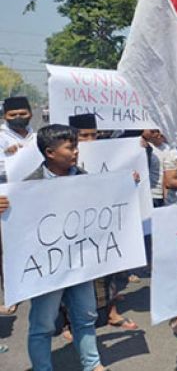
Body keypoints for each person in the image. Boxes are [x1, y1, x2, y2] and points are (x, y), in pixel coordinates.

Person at [0, 124, 106, 371]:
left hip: (79, 263)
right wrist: (4, 208)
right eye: (70, 147)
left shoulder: (84, 178)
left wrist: (126, 185)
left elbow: (105, 203)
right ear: (50, 152)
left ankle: (93, 364)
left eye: (76, 147)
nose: (76, 152)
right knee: (43, 325)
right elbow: (17, 228)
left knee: (86, 317)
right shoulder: (26, 187)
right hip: (47, 269)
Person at [69, 113, 139, 332]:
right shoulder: (66, 162)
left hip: (99, 224)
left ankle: (111, 313)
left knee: (106, 270)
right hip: (71, 229)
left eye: (93, 135)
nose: (90, 140)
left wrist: (128, 181)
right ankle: (67, 323)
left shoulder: (106, 152)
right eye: (84, 136)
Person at [0, 96, 35, 183]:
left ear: (30, 115)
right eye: (13, 115)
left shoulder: (36, 137)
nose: (18, 117)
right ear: (5, 117)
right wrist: (7, 154)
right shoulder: (1, 137)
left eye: (23, 114)